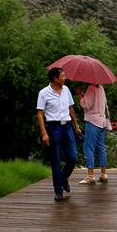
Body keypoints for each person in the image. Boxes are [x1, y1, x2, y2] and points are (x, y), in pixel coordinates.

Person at [36, 67, 82, 201]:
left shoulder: (66, 90)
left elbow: (70, 108)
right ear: (55, 78)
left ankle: (63, 178)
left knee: (73, 157)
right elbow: (40, 113)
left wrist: (76, 126)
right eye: (63, 76)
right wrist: (44, 133)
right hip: (53, 127)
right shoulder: (44, 93)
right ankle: (58, 190)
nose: (65, 77)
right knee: (55, 160)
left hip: (67, 126)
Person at [77, 83, 110, 185]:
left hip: (93, 121)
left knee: (88, 148)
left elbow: (86, 105)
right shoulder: (101, 88)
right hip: (102, 121)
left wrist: (79, 95)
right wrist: (85, 95)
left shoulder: (91, 88)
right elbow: (103, 104)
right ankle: (103, 173)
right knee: (101, 148)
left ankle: (90, 175)